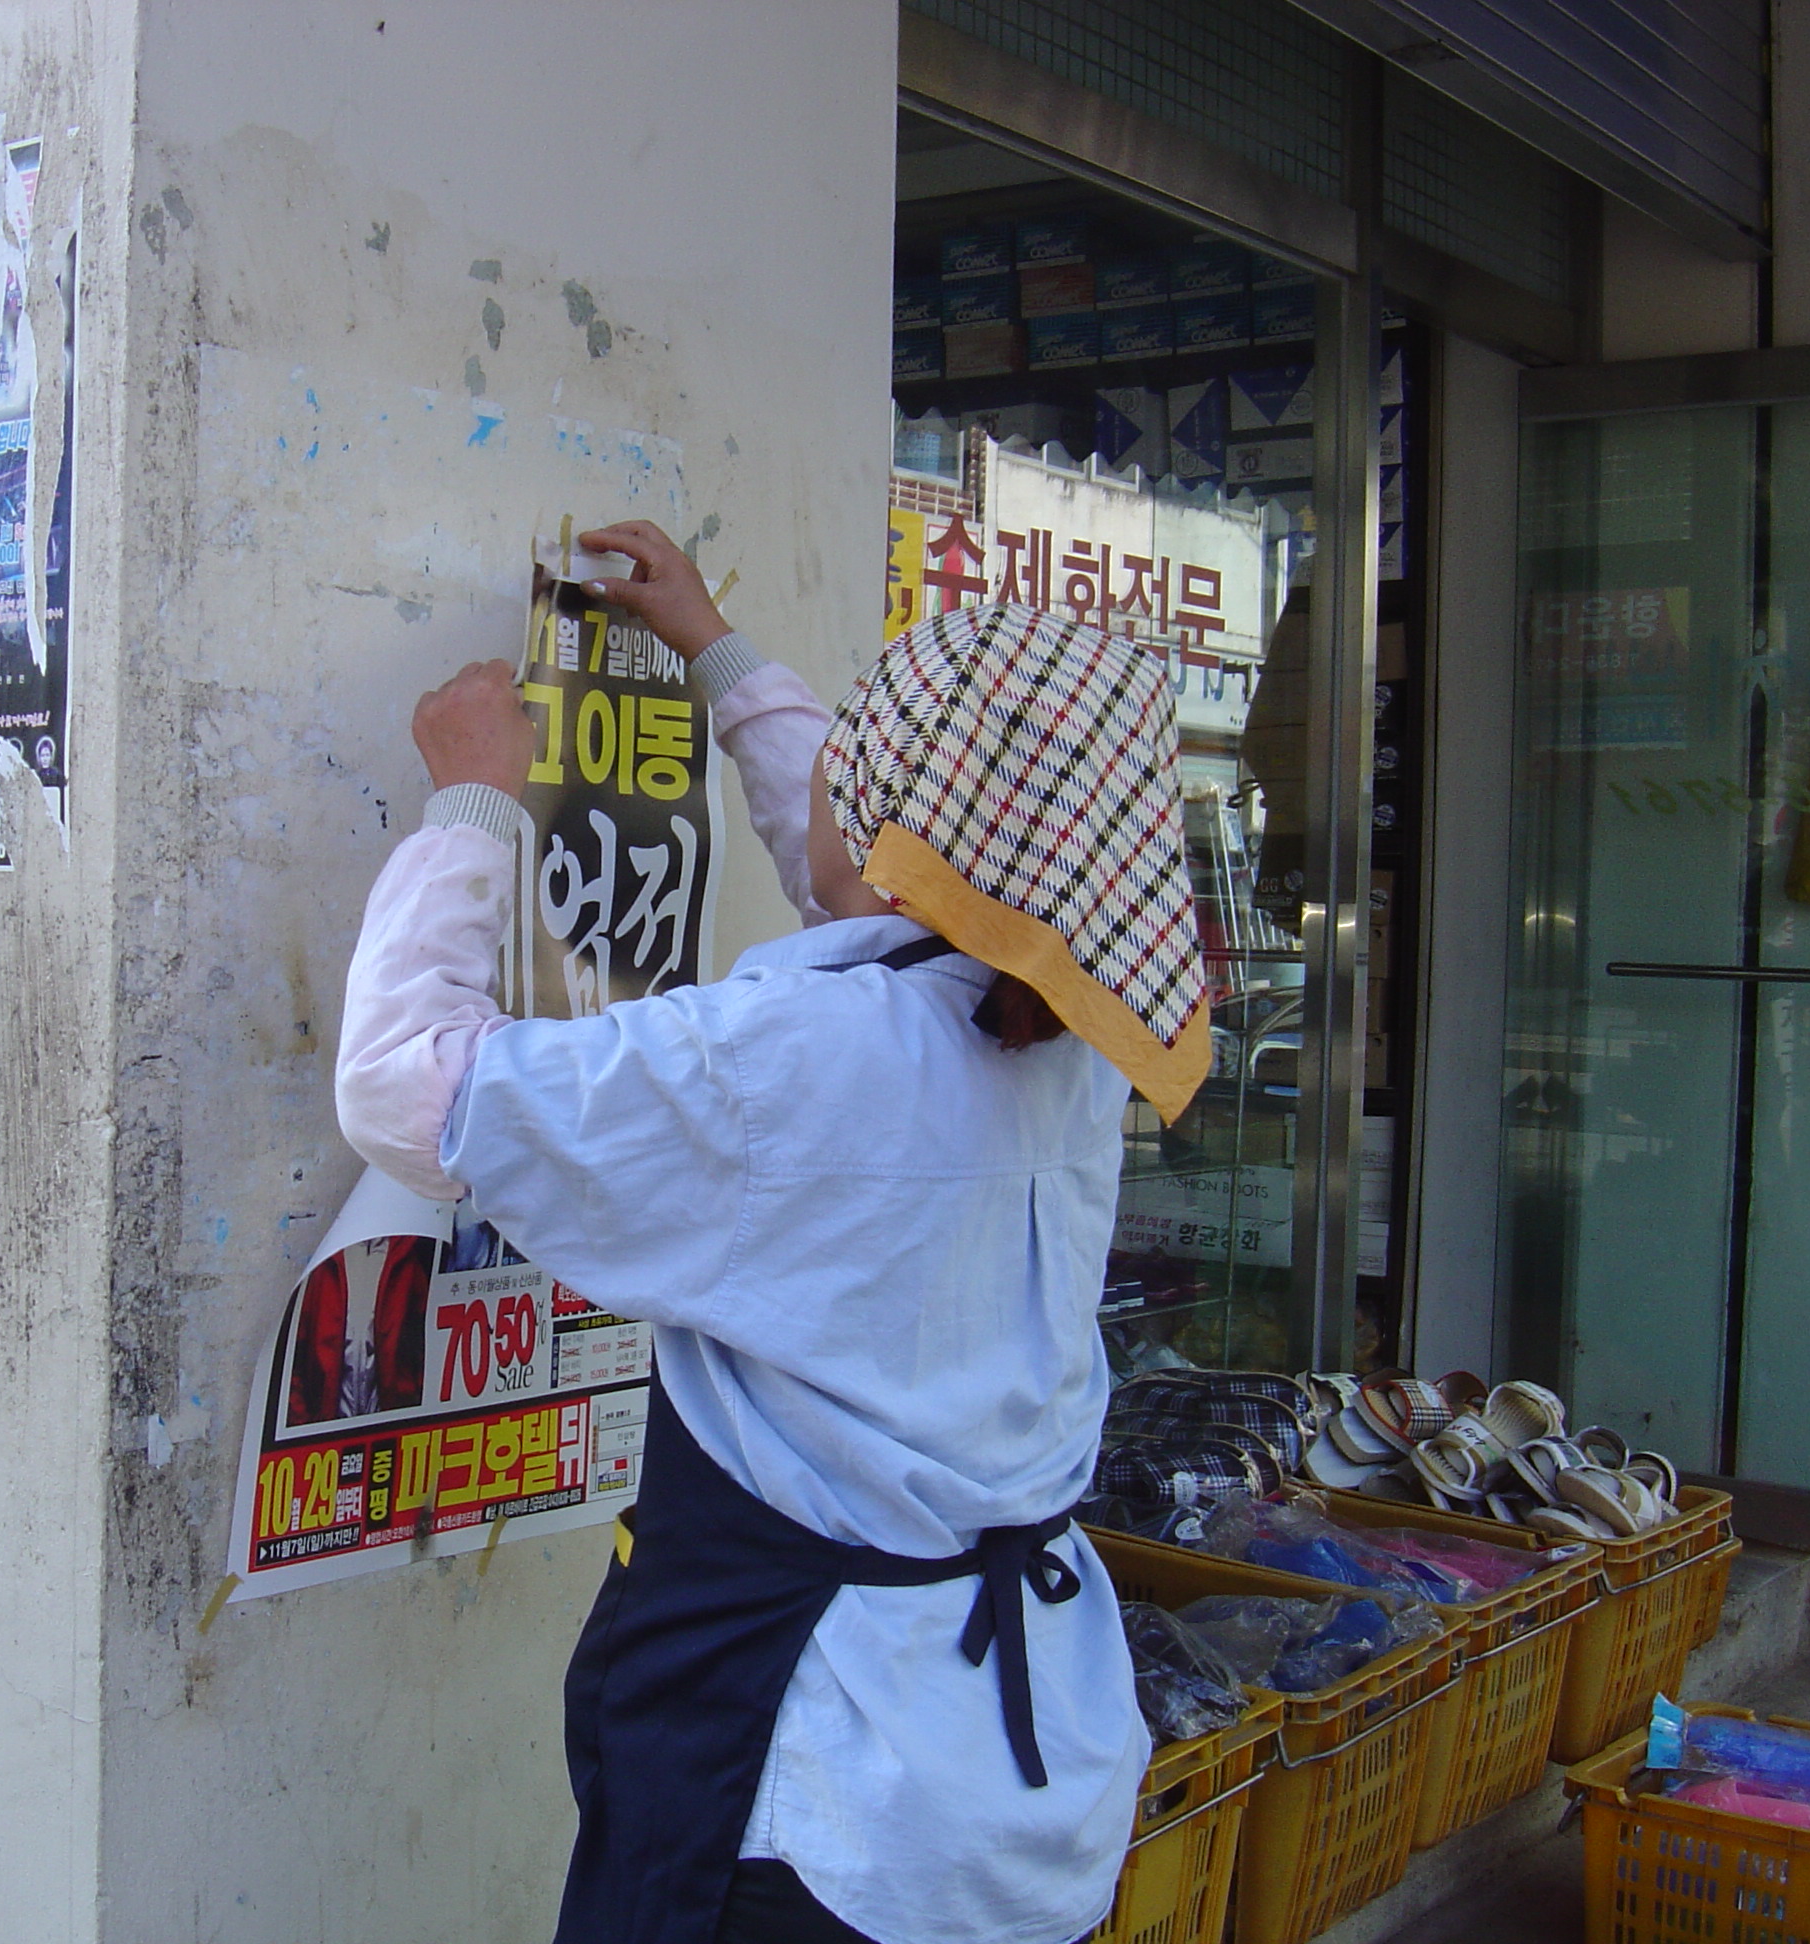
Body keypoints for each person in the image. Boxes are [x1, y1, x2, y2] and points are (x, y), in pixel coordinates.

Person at [335, 520, 1210, 1944]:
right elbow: (884, 896)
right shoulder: (1065, 1033)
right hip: (1005, 1797)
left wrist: (476, 811)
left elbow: (402, 1085)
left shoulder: (795, 1060)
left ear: (909, 825)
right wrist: (717, 653)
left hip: (813, 1792)